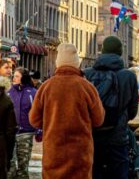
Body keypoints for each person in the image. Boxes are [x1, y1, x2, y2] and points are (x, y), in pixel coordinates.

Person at [29, 43, 105, 179]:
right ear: (77, 63)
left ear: (58, 63)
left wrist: (50, 122)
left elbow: (34, 120)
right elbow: (99, 120)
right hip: (80, 155)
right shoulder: (87, 87)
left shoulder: (46, 87)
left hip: (54, 153)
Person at [83, 36, 139, 179]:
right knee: (119, 173)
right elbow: (133, 110)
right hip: (118, 136)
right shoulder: (128, 76)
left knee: (93, 172)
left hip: (92, 135)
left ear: (103, 51)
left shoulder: (87, 74)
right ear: (120, 52)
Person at [7, 68, 38, 179]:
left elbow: (38, 112)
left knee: (23, 166)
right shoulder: (8, 92)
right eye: (13, 76)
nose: (13, 78)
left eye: (16, 76)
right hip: (10, 134)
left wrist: (38, 129)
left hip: (25, 133)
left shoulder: (33, 93)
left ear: (23, 78)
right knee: (10, 166)